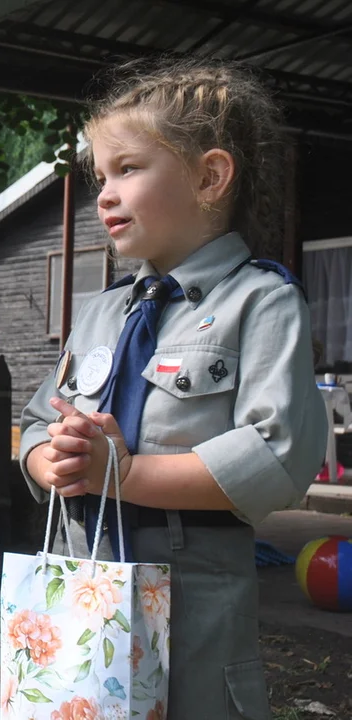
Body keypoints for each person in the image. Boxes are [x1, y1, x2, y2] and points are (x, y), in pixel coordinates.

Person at [19, 59, 328, 718]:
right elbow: (38, 422)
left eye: (128, 169)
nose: (103, 194)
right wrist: (54, 458)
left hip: (195, 602)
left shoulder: (261, 302)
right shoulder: (105, 312)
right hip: (84, 580)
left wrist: (120, 475)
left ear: (210, 176)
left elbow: (275, 459)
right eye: (99, 176)